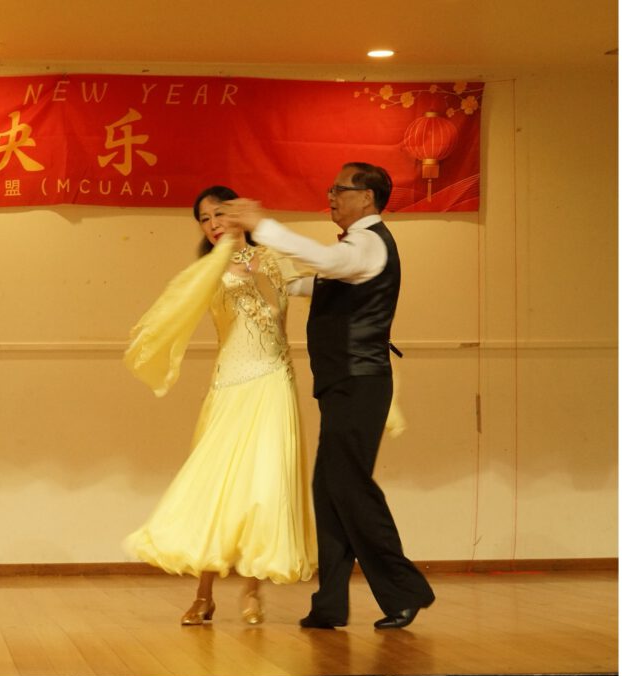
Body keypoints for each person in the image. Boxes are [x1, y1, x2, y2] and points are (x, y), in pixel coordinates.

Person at [225, 162, 435, 630]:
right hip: (345, 383)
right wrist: (267, 271)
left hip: (360, 382)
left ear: (367, 197)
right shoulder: (356, 248)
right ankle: (330, 603)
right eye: (332, 189)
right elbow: (320, 280)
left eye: (340, 189)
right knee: (330, 490)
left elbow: (329, 263)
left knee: (350, 486)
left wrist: (263, 226)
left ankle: (406, 590)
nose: (332, 197)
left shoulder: (368, 243)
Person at [123, 185, 316, 626]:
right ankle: (204, 594)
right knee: (216, 487)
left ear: (237, 214)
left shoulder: (272, 258)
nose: (213, 224)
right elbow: (172, 312)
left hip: (274, 381)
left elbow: (309, 288)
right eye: (205, 219)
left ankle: (253, 591)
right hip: (230, 385)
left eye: (219, 214)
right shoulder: (205, 271)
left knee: (265, 487)